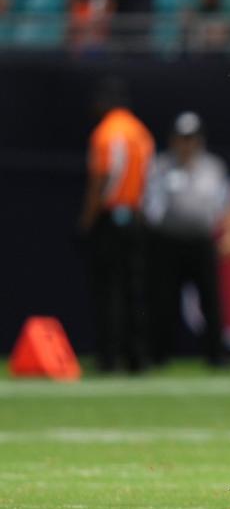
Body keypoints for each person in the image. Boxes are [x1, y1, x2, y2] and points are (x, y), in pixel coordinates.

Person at [144, 112, 230, 367]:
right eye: (183, 138)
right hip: (168, 242)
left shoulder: (213, 166)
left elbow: (225, 203)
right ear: (173, 140)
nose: (187, 144)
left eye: (192, 138)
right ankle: (158, 354)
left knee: (210, 300)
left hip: (201, 241)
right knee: (163, 299)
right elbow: (149, 204)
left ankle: (216, 355)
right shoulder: (161, 166)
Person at [79, 78, 155, 373]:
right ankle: (137, 357)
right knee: (133, 289)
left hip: (111, 218)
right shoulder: (140, 131)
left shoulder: (107, 132)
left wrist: (88, 216)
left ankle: (108, 357)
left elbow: (103, 177)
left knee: (108, 290)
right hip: (135, 216)